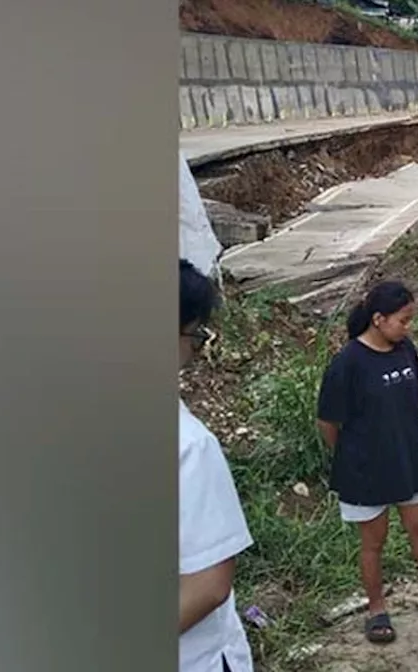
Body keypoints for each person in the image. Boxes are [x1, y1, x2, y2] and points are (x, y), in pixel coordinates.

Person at [316, 280, 418, 645]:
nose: (408, 327)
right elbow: (328, 422)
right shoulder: (348, 363)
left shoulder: (405, 350)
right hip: (366, 469)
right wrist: (353, 454)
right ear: (378, 319)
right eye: (403, 320)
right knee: (374, 541)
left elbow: (415, 398)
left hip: (408, 457)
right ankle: (376, 609)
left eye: (410, 319)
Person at [178, 259, 256, 672]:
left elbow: (207, 586)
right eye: (194, 336)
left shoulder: (189, 447)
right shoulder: (187, 445)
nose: (193, 350)